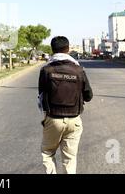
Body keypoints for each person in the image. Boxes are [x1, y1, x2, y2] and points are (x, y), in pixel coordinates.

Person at [38, 36, 93, 174]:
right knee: (69, 159)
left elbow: (41, 95)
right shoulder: (79, 70)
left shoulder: (46, 70)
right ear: (68, 49)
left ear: (52, 50)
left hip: (53, 120)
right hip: (74, 121)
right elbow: (89, 96)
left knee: (48, 153)